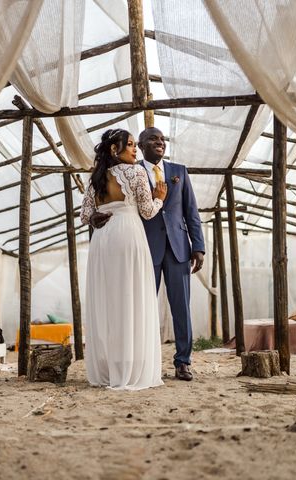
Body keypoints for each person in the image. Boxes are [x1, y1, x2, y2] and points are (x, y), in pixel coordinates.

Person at [89, 127, 205, 381]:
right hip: (142, 247)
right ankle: (140, 360)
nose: (160, 142)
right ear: (140, 145)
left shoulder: (179, 172)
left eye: (162, 139)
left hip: (178, 248)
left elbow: (191, 212)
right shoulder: (133, 170)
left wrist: (198, 246)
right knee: (139, 306)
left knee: (181, 308)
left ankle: (183, 361)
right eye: (153, 139)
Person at [80, 128, 168, 390]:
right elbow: (147, 211)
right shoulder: (136, 172)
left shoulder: (95, 178)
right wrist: (160, 199)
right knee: (132, 297)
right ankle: (131, 366)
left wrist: (97, 217)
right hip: (128, 236)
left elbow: (86, 215)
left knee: (108, 300)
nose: (135, 150)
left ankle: (111, 367)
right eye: (130, 145)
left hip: (103, 241)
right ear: (113, 149)